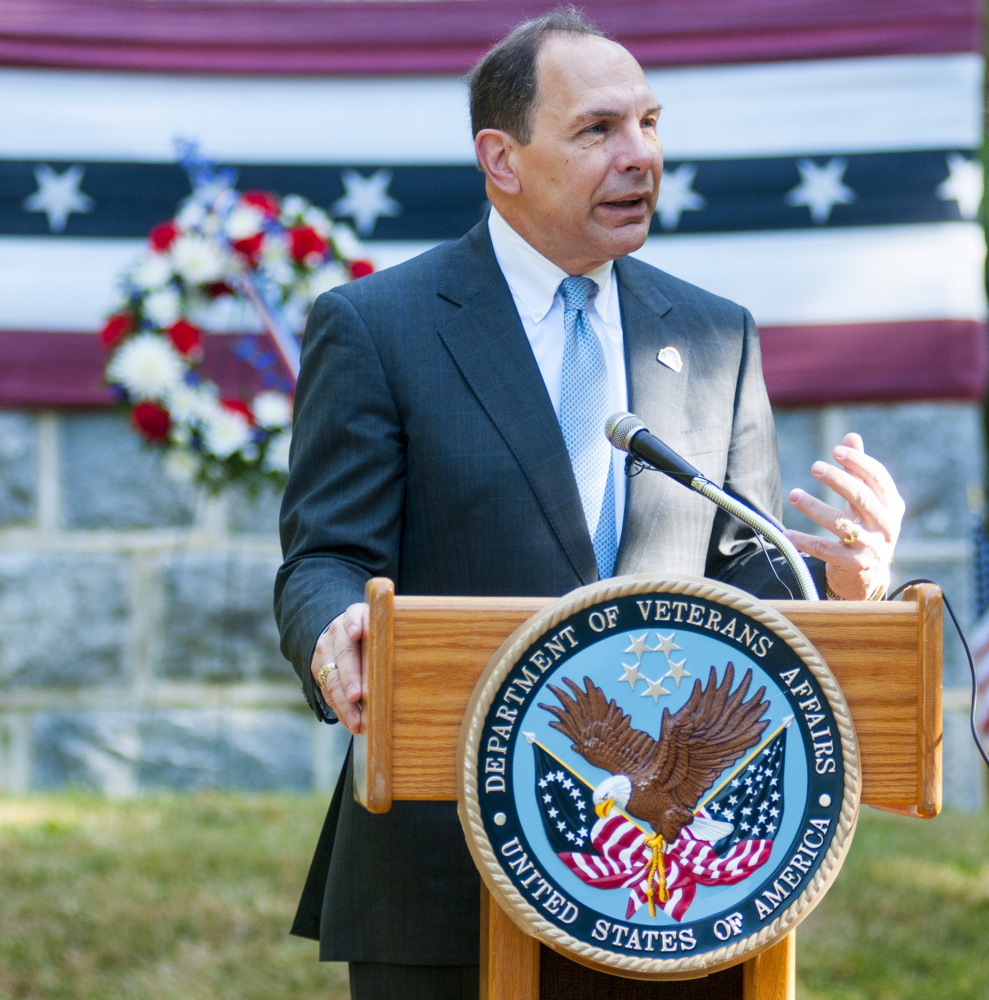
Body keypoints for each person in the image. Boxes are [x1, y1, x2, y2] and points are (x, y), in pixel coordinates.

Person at [274, 10, 903, 999]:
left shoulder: (710, 336)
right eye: (598, 130)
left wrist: (846, 586)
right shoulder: (376, 326)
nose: (639, 155)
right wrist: (333, 631)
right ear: (502, 158)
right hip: (446, 870)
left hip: (679, 880)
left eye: (649, 124)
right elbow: (322, 556)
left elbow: (744, 585)